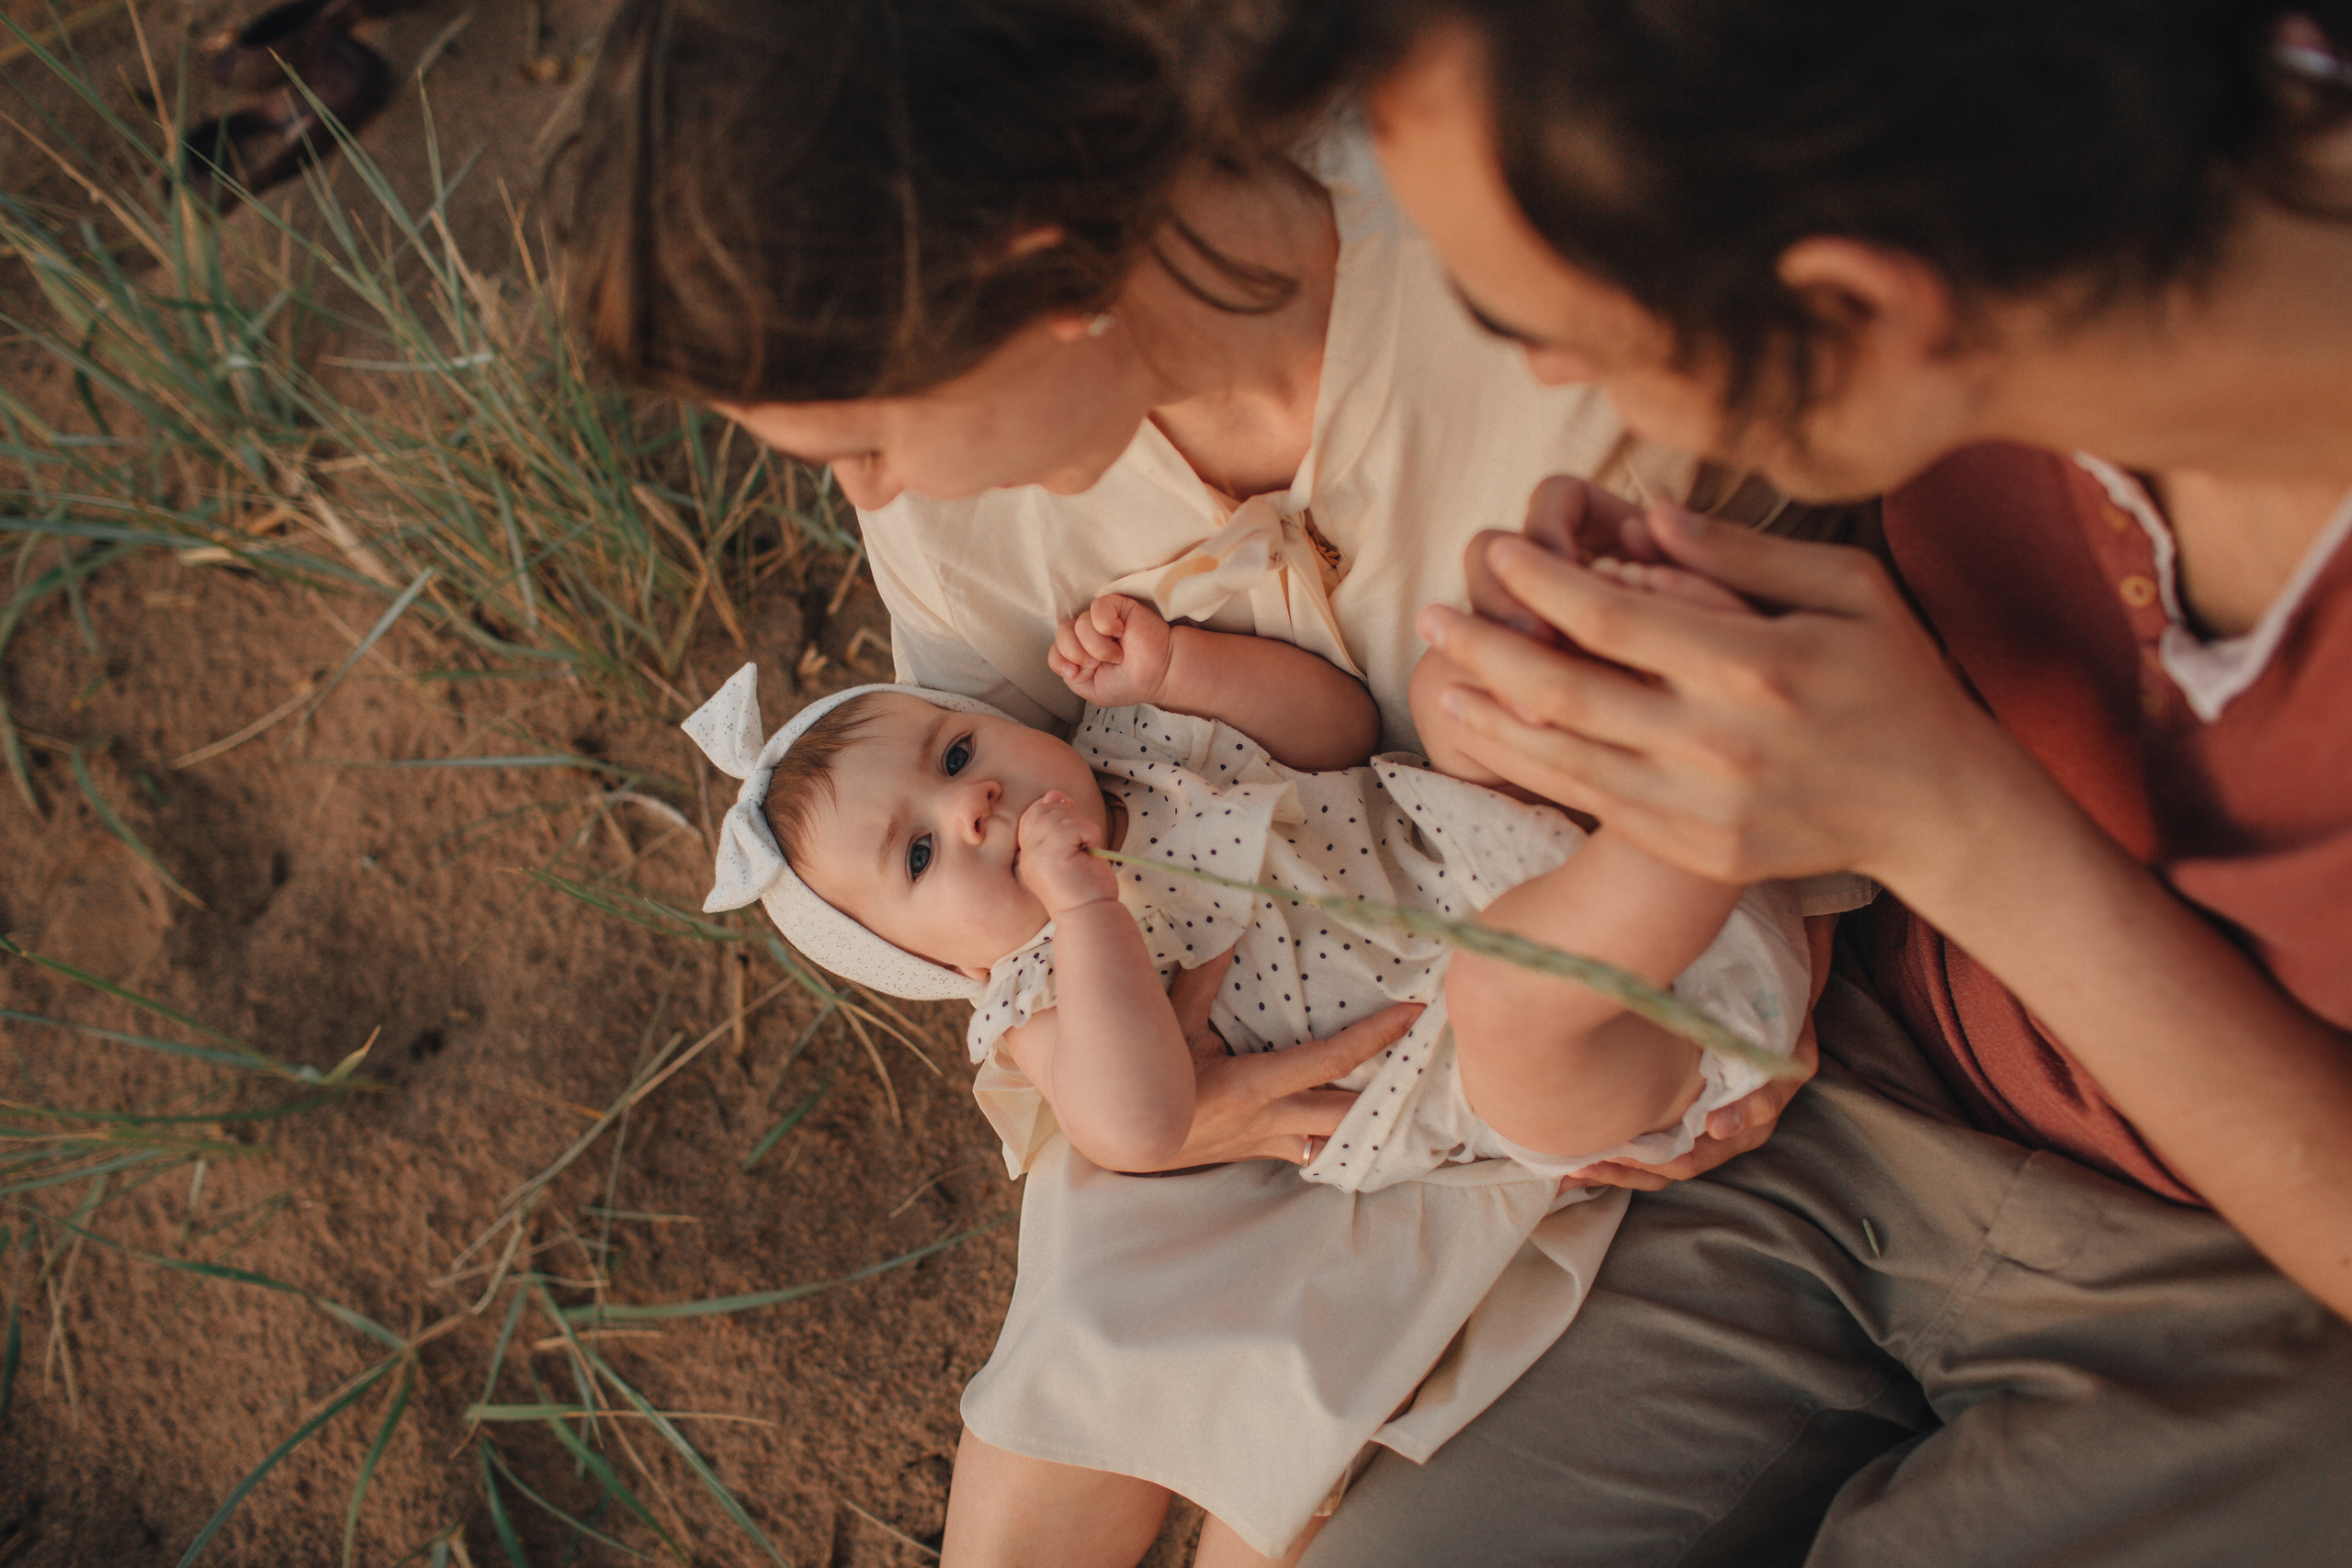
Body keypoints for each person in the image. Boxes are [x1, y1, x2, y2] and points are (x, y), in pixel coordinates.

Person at [559, 4, 1860, 1562]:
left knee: (1292, 1467)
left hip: (1553, 998)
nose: (866, 499)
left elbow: (1813, 663)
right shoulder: (963, 524)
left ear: (1031, 270)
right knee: (1090, 1330)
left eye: (865, 434)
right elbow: (960, 913)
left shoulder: (1537, 286)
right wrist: (1147, 1123)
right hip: (1243, 1051)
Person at [1185, 3, 2352, 1563]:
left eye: (1565, 334)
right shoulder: (2044, 191)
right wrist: (1672, 684)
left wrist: (1947, 814)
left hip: (2254, 1286)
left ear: (1859, 305)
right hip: (1838, 1085)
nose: (1532, 377)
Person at [676, 589, 1810, 1557]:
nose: (970, 803)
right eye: (920, 853)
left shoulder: (1140, 743)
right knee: (1527, 1044)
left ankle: (1696, 887)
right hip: (1446, 1065)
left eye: (957, 752)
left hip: (1483, 873)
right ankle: (1680, 1016)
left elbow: (1335, 729)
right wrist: (1082, 910)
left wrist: (1183, 666)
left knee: (1479, 742)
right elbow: (1135, 1121)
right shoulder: (1036, 988)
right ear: (942, 965)